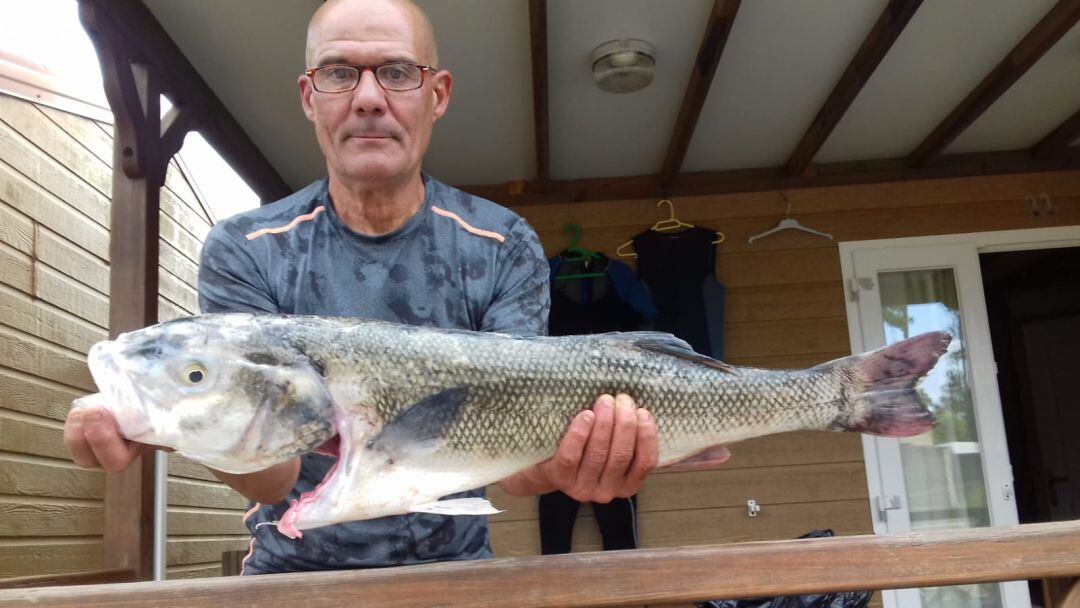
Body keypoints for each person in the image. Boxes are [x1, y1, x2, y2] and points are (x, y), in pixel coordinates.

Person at [64, 0, 659, 574]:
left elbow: (510, 467)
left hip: (458, 576)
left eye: (398, 73)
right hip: (290, 578)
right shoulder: (245, 250)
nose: (369, 99)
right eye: (339, 73)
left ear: (438, 95)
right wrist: (183, 425)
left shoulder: (502, 244)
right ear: (309, 96)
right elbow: (272, 477)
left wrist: (578, 460)